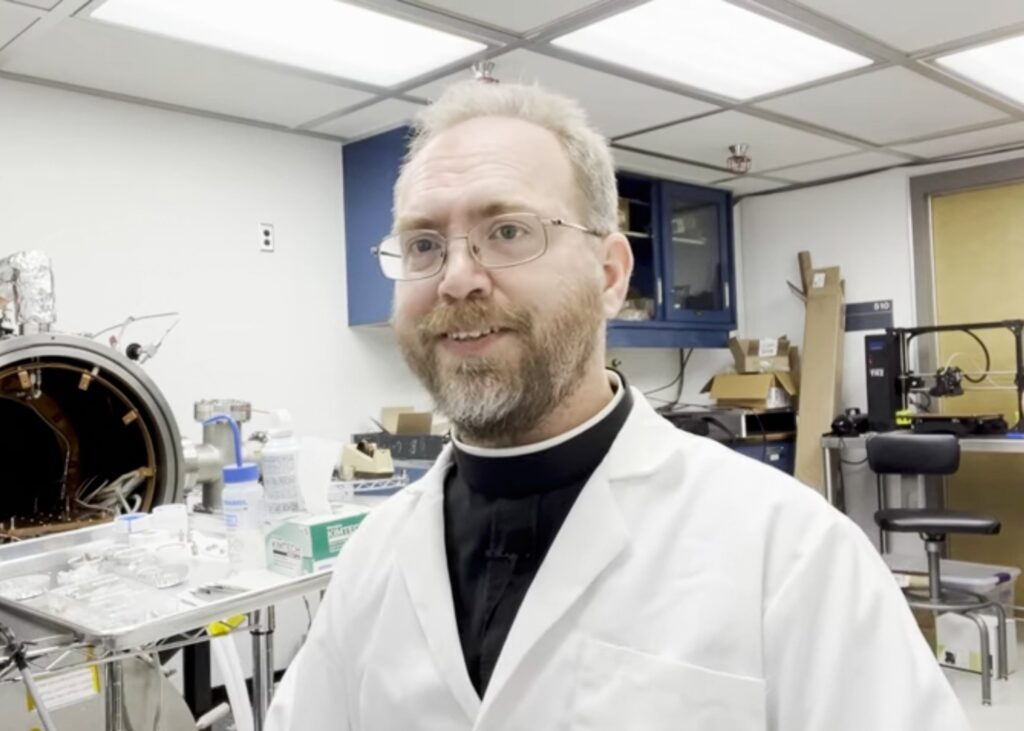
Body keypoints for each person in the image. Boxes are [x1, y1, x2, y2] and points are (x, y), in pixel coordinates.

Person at [267, 81, 969, 730]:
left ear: (608, 275)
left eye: (508, 231)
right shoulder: (372, 559)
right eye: (423, 243)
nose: (456, 278)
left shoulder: (792, 555)